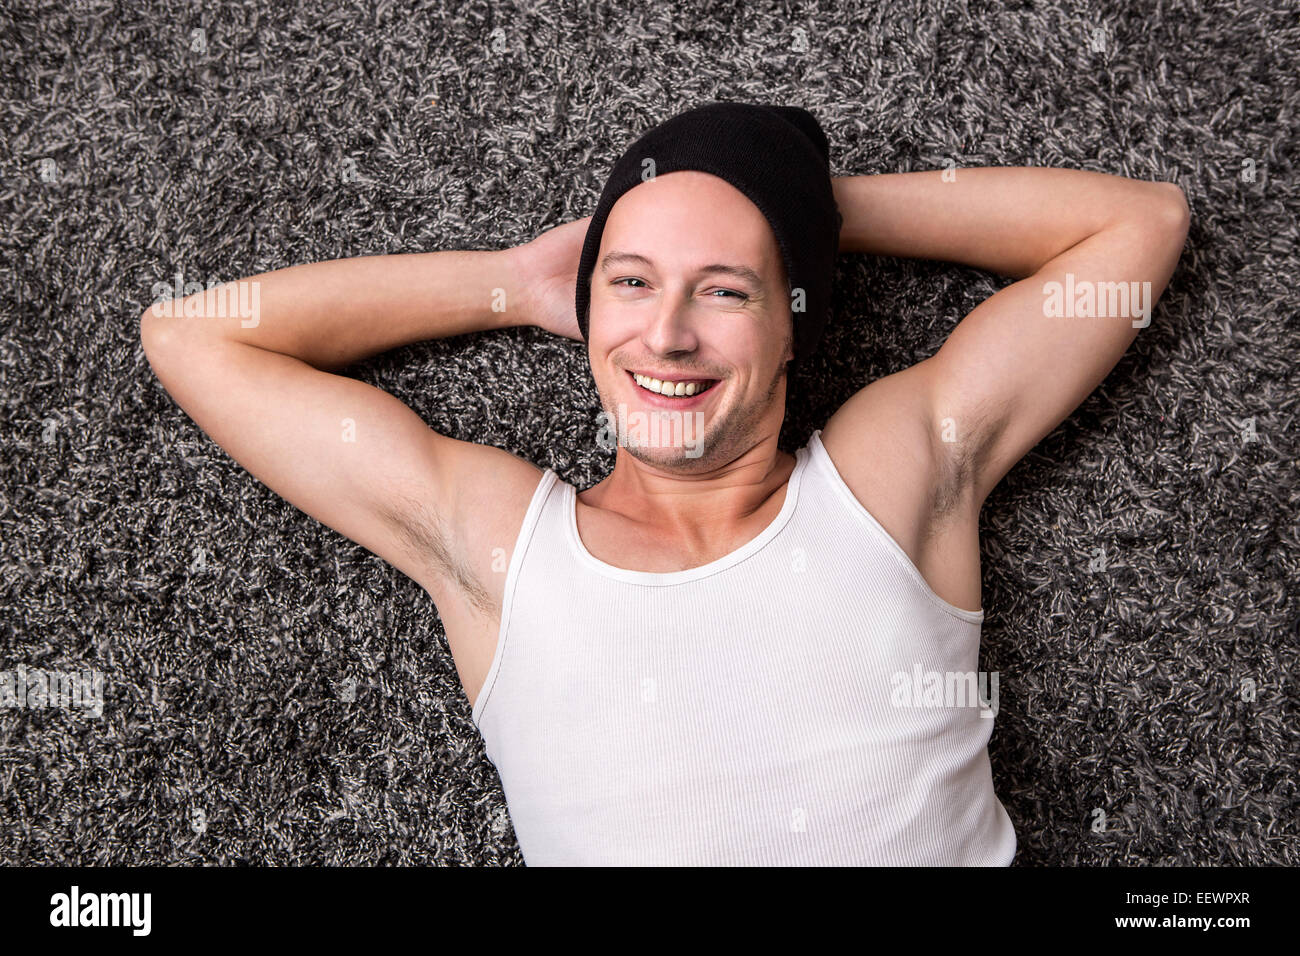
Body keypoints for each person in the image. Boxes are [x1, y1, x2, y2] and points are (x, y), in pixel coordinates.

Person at [140, 102, 1189, 865]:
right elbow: (191, 337)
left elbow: (1138, 227)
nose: (667, 332)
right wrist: (505, 280)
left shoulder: (891, 475)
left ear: (793, 323)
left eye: (723, 288)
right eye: (629, 280)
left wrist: (812, 209)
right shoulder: (502, 547)